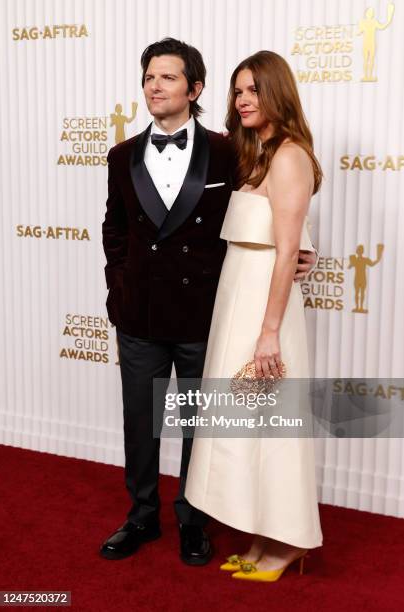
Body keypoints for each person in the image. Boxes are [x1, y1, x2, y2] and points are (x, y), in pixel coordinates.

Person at [101, 38, 317, 566]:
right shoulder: (121, 155)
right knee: (140, 419)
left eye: (168, 77)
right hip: (140, 315)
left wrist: (300, 253)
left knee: (203, 424)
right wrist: (119, 290)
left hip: (206, 316)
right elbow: (115, 229)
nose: (155, 85)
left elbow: (273, 218)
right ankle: (141, 516)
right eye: (149, 76)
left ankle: (193, 521)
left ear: (194, 89)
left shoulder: (230, 150)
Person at [185, 50, 323, 581]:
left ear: (276, 93)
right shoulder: (257, 152)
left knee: (273, 424)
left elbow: (286, 251)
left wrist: (269, 333)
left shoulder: (289, 155)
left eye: (253, 91)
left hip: (265, 310)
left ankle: (288, 545)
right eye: (238, 91)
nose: (243, 100)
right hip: (237, 298)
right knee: (252, 424)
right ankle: (265, 535)